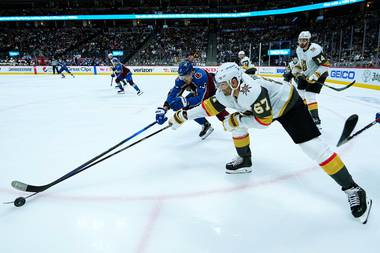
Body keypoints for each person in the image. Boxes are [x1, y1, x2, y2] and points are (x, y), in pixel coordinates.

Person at [168, 62, 372, 224]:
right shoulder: (227, 90)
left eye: (223, 85)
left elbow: (263, 122)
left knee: (313, 148)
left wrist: (236, 119)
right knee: (235, 125)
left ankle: (353, 188)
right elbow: (208, 107)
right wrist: (183, 116)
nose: (219, 89)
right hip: (263, 107)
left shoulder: (251, 91)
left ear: (235, 82)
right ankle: (244, 159)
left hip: (288, 105)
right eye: (219, 84)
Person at [155, 60, 228, 140]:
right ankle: (206, 125)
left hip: (212, 90)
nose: (183, 79)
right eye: (181, 76)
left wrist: (186, 101)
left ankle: (233, 123)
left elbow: (201, 98)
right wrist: (165, 108)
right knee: (187, 108)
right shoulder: (182, 79)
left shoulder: (200, 76)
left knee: (216, 108)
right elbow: (173, 94)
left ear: (192, 72)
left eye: (184, 76)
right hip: (199, 91)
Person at [292, 31, 330, 129]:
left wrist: (316, 75)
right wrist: (297, 68)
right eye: (300, 40)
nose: (302, 42)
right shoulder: (298, 50)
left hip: (320, 73)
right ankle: (305, 115)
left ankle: (316, 120)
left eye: (304, 40)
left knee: (309, 95)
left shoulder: (315, 49)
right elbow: (303, 63)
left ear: (309, 40)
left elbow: (325, 65)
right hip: (307, 74)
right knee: (300, 94)